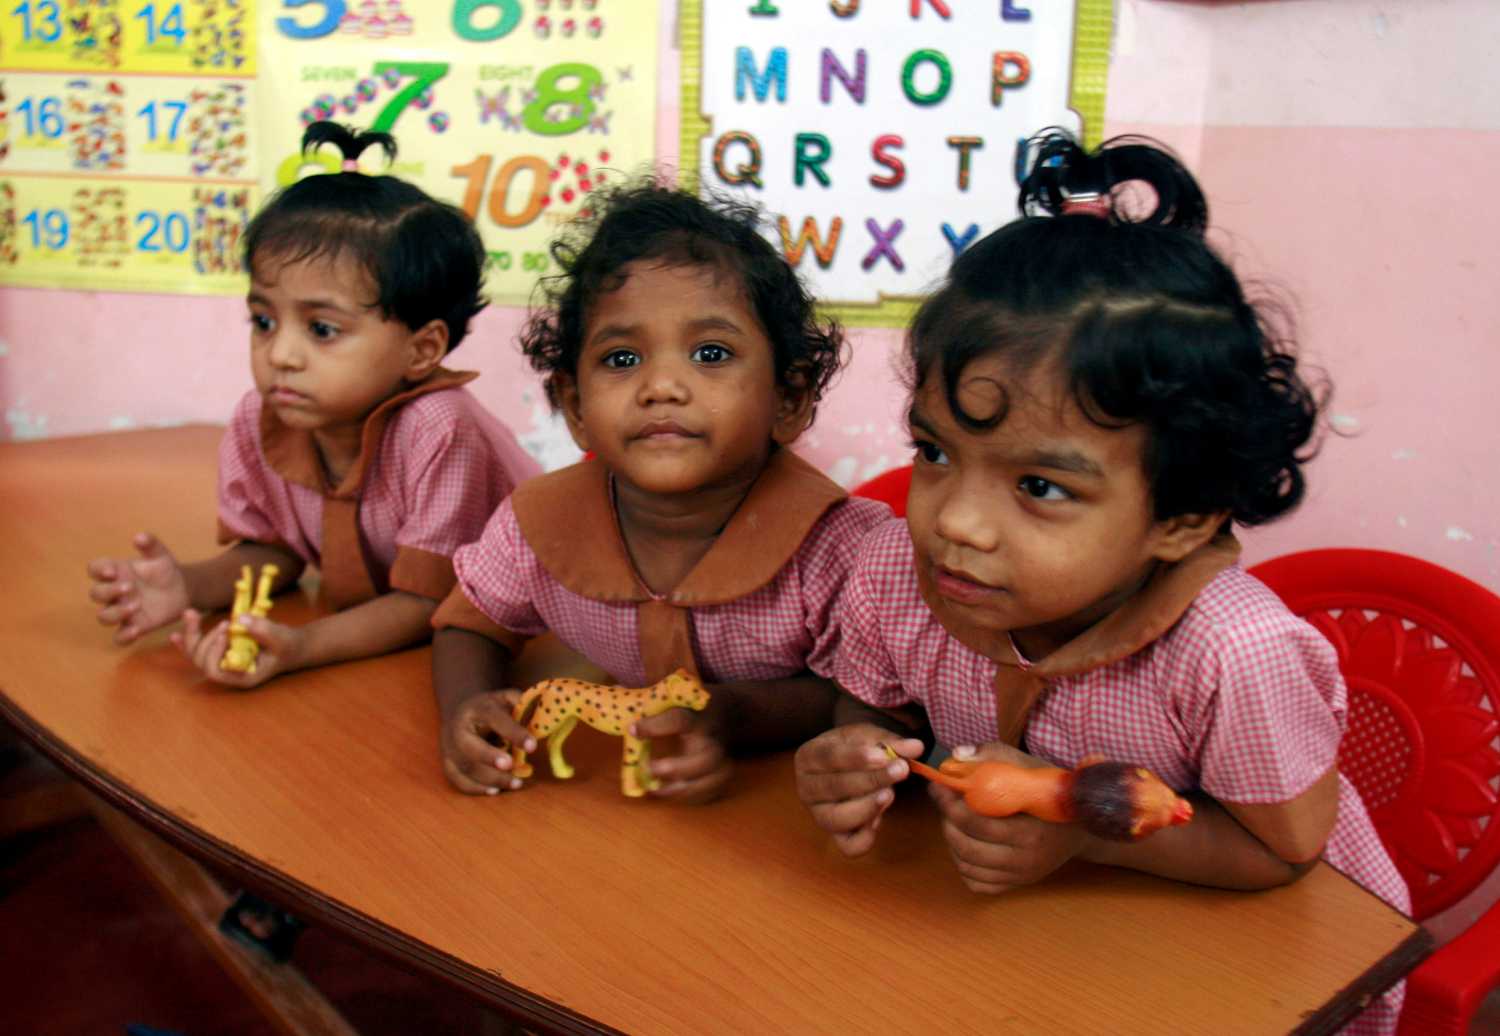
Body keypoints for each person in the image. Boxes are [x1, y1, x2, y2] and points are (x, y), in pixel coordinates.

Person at [794, 132, 1406, 1033]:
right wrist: (862, 761)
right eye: (934, 451)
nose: (955, 521)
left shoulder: (1235, 654)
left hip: (1262, 975)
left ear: (1183, 518)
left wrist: (1079, 833)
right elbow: (878, 710)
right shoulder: (898, 573)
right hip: (1023, 961)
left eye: (1040, 486)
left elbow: (1282, 855)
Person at [431, 180, 890, 803]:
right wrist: (467, 707)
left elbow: (862, 697)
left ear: (789, 399)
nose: (662, 386)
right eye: (622, 359)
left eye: (710, 352)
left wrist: (729, 718)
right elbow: (470, 622)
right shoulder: (535, 523)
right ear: (575, 406)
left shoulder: (845, 551)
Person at [86, 121, 539, 688]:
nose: (281, 354)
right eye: (264, 321)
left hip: (506, 644)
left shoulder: (438, 429)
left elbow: (428, 602)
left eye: (322, 329)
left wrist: (300, 647)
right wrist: (190, 585)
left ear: (422, 350)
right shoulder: (263, 416)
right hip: (380, 652)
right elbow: (275, 554)